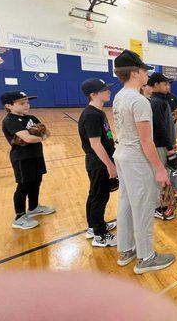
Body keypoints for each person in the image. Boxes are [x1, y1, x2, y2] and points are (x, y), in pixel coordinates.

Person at [112, 49, 175, 274]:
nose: (147, 74)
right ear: (136, 72)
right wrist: (160, 169)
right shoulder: (139, 101)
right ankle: (146, 257)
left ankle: (126, 250)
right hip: (137, 160)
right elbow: (146, 141)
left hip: (122, 155)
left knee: (126, 204)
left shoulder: (119, 96)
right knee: (143, 208)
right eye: (145, 70)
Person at [1, 91, 56, 230]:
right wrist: (40, 137)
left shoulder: (31, 117)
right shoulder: (9, 120)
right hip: (22, 158)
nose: (27, 105)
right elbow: (28, 138)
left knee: (36, 182)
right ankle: (19, 217)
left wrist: (40, 136)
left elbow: (47, 132)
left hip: (36, 155)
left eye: (27, 102)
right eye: (22, 103)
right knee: (23, 186)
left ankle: (33, 207)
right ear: (9, 105)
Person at [78, 78, 118, 247]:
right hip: (99, 163)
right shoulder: (91, 115)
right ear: (93, 94)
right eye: (104, 90)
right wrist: (110, 165)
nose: (108, 91)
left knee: (96, 195)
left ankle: (94, 226)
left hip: (101, 161)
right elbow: (95, 144)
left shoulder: (99, 112)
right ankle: (100, 235)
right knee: (99, 198)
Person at [148, 72, 177, 221]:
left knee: (165, 174)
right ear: (155, 85)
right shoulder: (156, 102)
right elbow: (159, 127)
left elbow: (166, 124)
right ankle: (157, 207)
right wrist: (169, 146)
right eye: (164, 83)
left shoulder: (162, 101)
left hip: (166, 145)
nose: (168, 86)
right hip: (160, 146)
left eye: (168, 83)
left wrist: (172, 142)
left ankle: (165, 200)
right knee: (159, 177)